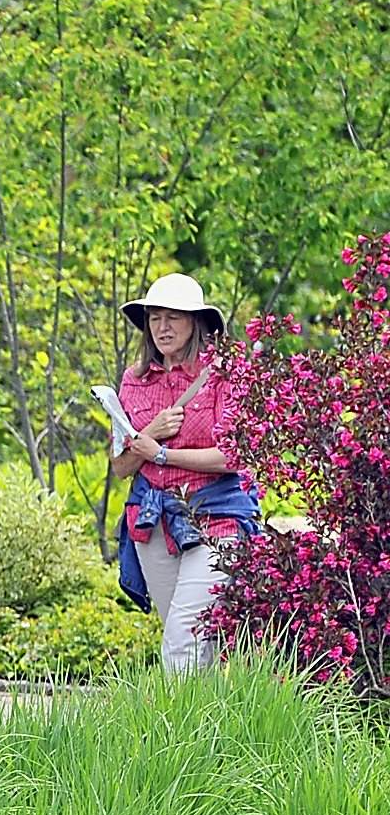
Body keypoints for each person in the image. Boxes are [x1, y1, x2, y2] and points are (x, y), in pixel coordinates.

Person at [110, 273, 262, 671]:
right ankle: (211, 729)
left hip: (217, 519)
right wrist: (150, 433)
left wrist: (161, 454)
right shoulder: (133, 381)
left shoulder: (223, 375)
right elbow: (122, 465)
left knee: (183, 640)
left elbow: (234, 456)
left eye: (173, 317)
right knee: (190, 643)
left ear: (196, 322)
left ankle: (178, 732)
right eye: (154, 317)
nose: (162, 327)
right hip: (152, 522)